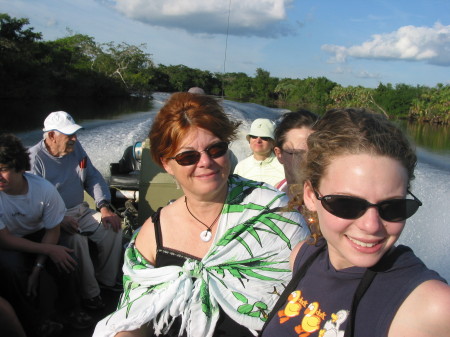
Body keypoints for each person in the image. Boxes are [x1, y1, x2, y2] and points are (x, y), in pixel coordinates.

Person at [94, 92, 310, 337]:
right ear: (166, 164)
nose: (205, 161)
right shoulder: (152, 235)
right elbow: (135, 318)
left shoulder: (276, 213)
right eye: (188, 156)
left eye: (215, 149)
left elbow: (307, 305)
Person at [260, 108, 450, 337]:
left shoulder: (430, 305)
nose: (372, 226)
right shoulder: (303, 257)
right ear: (311, 195)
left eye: (392, 207)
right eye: (347, 205)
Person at [28, 111, 123, 311]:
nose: (74, 138)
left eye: (75, 134)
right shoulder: (34, 159)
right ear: (51, 136)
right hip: (52, 220)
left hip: (80, 211)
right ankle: (91, 295)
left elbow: (93, 177)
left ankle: (107, 282)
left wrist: (104, 207)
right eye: (68, 135)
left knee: (113, 228)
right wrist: (60, 220)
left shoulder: (75, 148)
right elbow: (33, 203)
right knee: (77, 241)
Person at [0, 133, 93, 336]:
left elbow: (53, 229)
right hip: (8, 241)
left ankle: (71, 310)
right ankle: (35, 321)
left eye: (3, 170)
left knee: (67, 260)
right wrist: (48, 250)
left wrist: (39, 266)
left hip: (39, 234)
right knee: (11, 269)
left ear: (19, 167)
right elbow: (4, 239)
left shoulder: (44, 190)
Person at [273, 110, 318, 199]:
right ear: (279, 154)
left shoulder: (327, 199)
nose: (307, 159)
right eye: (298, 153)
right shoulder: (277, 190)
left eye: (314, 152)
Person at [234, 118, 285, 187]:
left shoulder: (284, 166)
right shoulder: (241, 167)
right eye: (254, 136)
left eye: (264, 137)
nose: (258, 141)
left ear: (273, 143)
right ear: (249, 140)